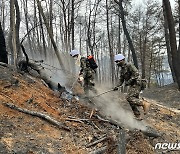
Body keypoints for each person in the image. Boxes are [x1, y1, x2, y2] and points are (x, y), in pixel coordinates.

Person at [113, 54, 150, 120]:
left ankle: (144, 104)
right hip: (132, 85)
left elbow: (136, 74)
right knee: (132, 100)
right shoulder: (122, 70)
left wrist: (129, 81)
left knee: (129, 97)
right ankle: (138, 115)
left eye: (118, 61)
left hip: (137, 83)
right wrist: (117, 86)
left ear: (123, 60)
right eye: (116, 62)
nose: (117, 63)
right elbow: (121, 80)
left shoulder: (129, 65)